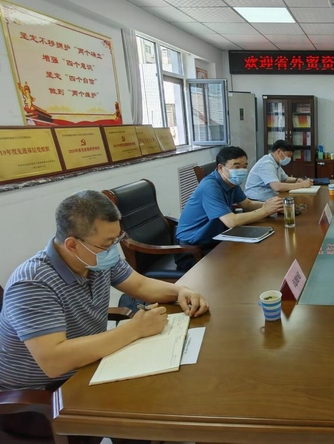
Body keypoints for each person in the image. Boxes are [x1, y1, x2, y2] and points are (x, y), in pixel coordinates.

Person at [0, 190, 210, 442]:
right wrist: (134, 329)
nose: (113, 249)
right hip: (38, 399)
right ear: (72, 244)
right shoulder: (33, 283)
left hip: (87, 366)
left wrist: (180, 291)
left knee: (168, 388)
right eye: (106, 244)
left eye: (116, 239)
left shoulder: (95, 258)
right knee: (142, 411)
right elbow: (54, 362)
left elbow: (140, 285)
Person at [175, 146, 283, 270]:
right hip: (191, 249)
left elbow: (247, 204)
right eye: (236, 167)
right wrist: (265, 210)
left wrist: (275, 206)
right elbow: (231, 221)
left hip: (214, 239)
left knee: (256, 255)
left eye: (244, 166)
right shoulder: (210, 186)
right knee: (243, 265)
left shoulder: (230, 182)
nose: (242, 170)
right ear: (221, 168)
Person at [244, 140, 313, 201]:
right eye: (288, 156)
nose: (289, 159)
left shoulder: (275, 163)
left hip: (268, 197)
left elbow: (285, 179)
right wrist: (302, 185)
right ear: (279, 151)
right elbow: (277, 187)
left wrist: (297, 180)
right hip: (256, 199)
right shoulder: (266, 164)